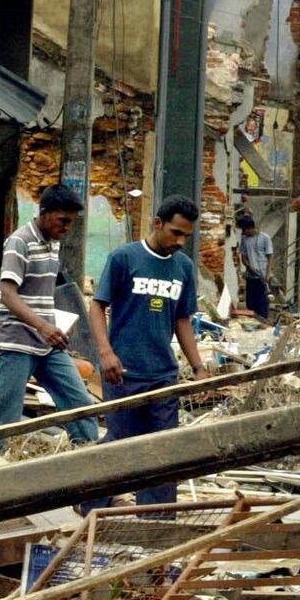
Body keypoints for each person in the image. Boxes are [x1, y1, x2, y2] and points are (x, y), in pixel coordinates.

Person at [84, 195, 206, 509]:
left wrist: (198, 368)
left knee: (164, 454)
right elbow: (97, 306)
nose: (180, 241)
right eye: (175, 233)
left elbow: (182, 319)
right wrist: (106, 353)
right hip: (123, 374)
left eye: (186, 236)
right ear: (158, 223)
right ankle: (91, 502)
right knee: (121, 449)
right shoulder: (124, 258)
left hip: (162, 376)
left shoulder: (184, 268)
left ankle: (157, 523)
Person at [0, 184, 98, 445]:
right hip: (17, 342)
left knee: (81, 405)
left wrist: (53, 327)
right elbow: (7, 293)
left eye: (71, 222)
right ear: (45, 213)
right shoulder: (19, 241)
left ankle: (88, 461)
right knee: (6, 417)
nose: (66, 228)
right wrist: (43, 326)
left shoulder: (52, 243)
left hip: (47, 345)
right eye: (62, 221)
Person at [234, 214, 274, 320]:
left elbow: (270, 257)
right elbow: (243, 257)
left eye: (244, 230)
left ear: (249, 228)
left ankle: (263, 324)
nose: (243, 232)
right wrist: (250, 267)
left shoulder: (265, 238)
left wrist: (268, 274)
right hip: (251, 277)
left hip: (263, 277)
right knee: (251, 304)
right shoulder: (245, 239)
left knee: (262, 305)